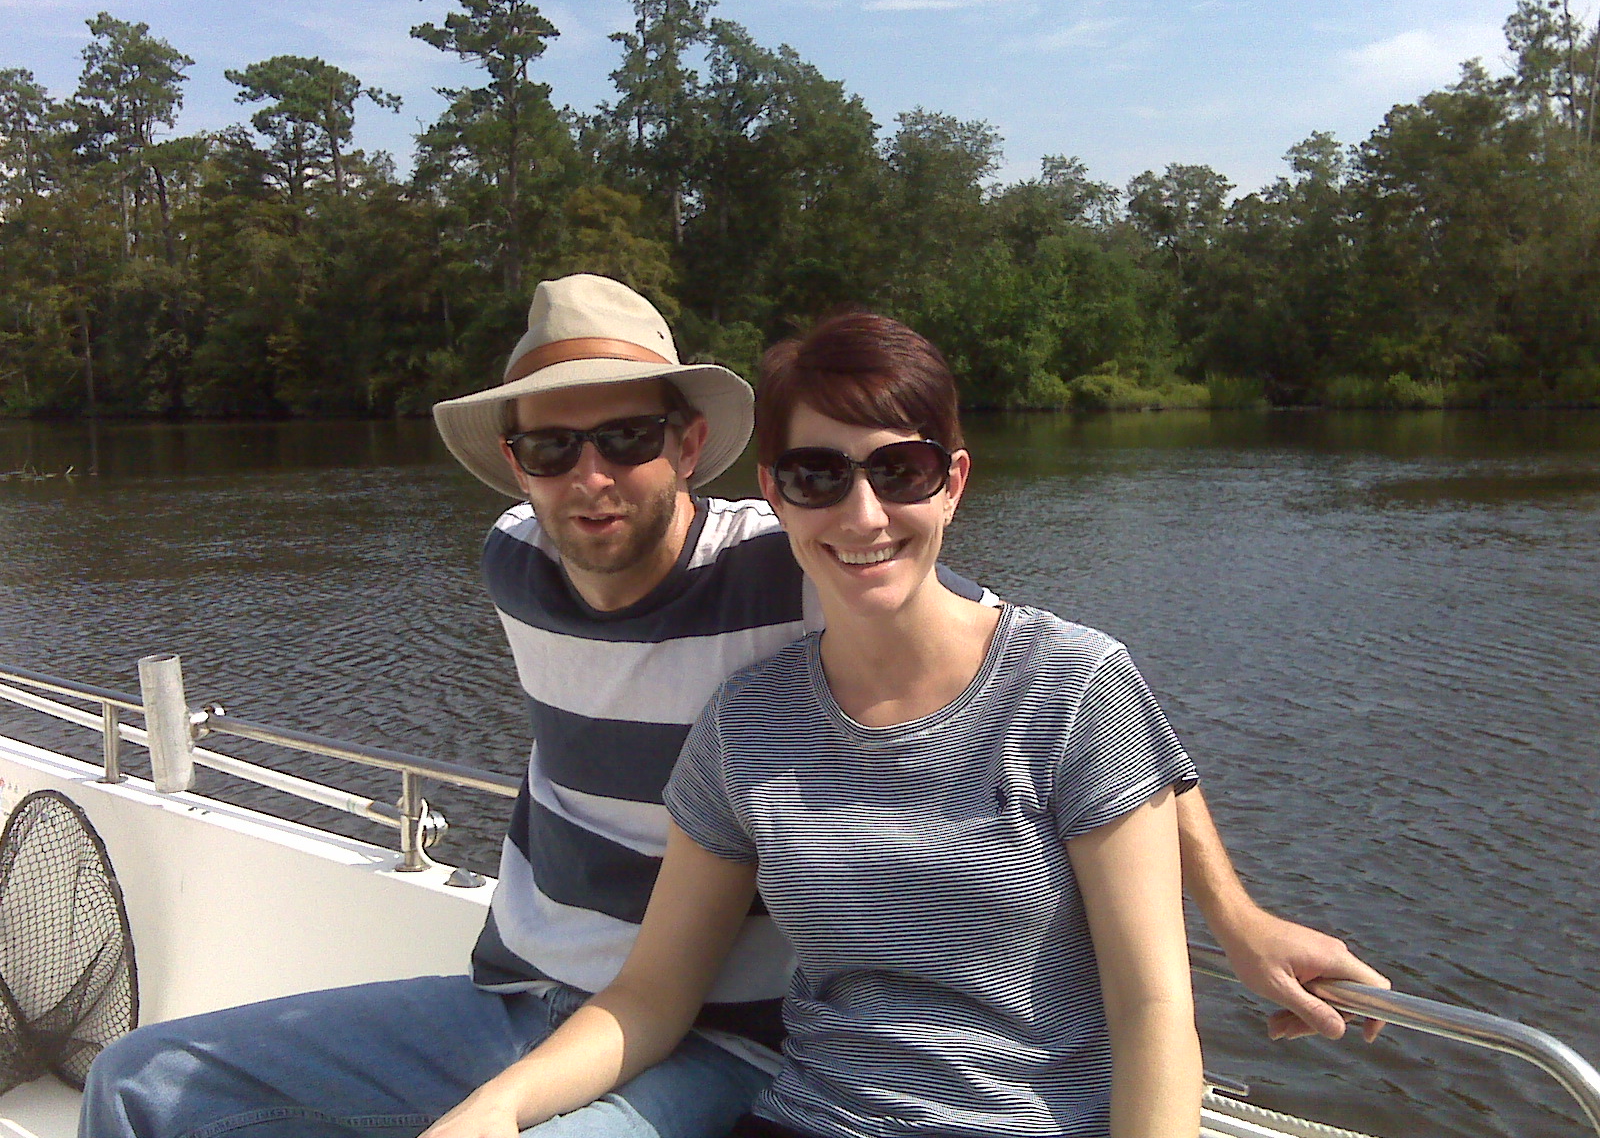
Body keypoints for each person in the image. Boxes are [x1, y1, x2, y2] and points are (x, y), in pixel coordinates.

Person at [80, 275, 1385, 1138]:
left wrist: (1233, 914)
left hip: (728, 1043)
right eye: (552, 448)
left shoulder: (810, 564)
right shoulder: (518, 568)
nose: (591, 478)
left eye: (625, 439)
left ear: (690, 445)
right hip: (525, 997)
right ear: (516, 465)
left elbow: (1059, 702)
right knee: (141, 1087)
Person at [424, 312, 1202, 1138]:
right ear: (776, 493)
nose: (863, 515)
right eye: (817, 476)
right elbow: (651, 995)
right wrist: (497, 1108)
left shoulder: (1073, 688)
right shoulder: (746, 725)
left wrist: (1241, 921)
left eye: (901, 471)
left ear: (953, 483)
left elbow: (1153, 1010)